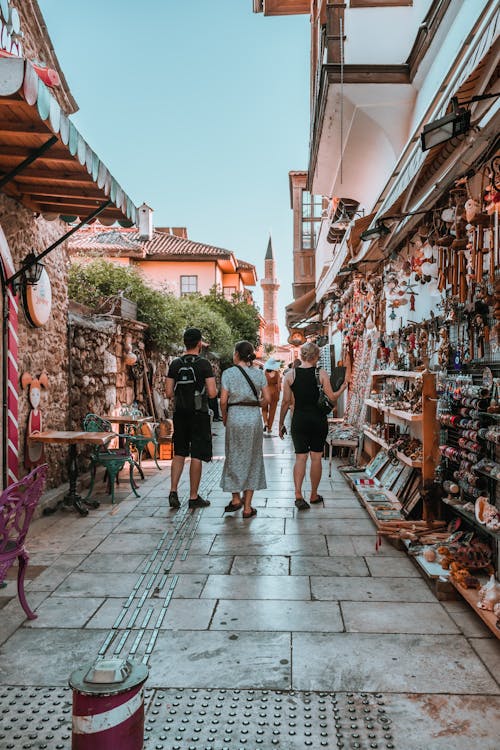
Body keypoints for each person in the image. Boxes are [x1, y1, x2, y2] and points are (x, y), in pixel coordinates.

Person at [278, 341, 347, 510]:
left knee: (300, 457)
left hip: (299, 420)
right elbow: (331, 397)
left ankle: (298, 495)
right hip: (318, 420)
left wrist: (280, 424)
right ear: (316, 356)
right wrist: (343, 388)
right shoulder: (321, 373)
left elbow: (286, 402)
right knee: (316, 457)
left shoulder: (290, 375)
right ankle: (314, 494)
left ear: (301, 356)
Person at [165, 327, 217, 509]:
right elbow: (212, 393)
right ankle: (193, 497)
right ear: (199, 343)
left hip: (180, 413)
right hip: (199, 414)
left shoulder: (175, 364)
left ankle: (173, 491)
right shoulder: (204, 364)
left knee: (179, 452)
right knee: (196, 454)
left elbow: (168, 392)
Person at [220, 341, 271, 518]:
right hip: (253, 419)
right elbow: (268, 398)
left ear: (236, 354)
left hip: (234, 416)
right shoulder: (258, 374)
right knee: (253, 457)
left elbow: (223, 401)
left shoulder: (228, 373)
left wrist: (225, 417)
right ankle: (248, 507)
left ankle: (235, 499)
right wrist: (256, 404)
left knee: (233, 455)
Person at [261, 360, 282, 434]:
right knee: (272, 411)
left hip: (265, 392)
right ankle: (269, 428)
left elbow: (261, 384)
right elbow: (279, 386)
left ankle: (266, 422)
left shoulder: (264, 373)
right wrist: (278, 394)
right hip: (274, 393)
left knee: (264, 409)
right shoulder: (277, 374)